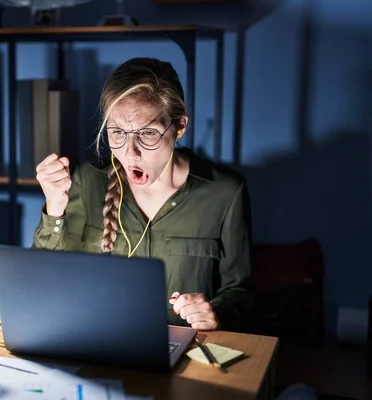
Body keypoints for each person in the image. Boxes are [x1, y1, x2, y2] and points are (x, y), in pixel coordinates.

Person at [32, 57, 253, 332]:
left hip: (189, 356)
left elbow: (240, 291)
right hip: (98, 346)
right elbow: (43, 280)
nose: (130, 152)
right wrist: (54, 206)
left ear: (179, 126)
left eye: (148, 133)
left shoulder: (225, 192)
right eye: (117, 133)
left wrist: (216, 312)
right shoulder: (86, 181)